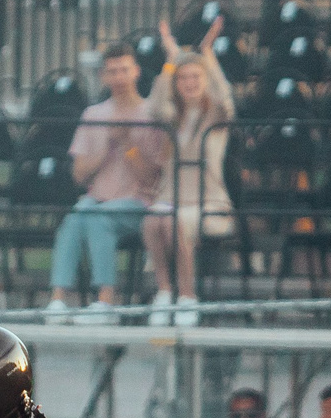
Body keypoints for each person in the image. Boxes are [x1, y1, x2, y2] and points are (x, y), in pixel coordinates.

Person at [46, 45, 167, 315]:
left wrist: (128, 146)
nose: (119, 77)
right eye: (112, 72)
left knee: (97, 218)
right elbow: (78, 175)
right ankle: (58, 299)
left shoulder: (152, 114)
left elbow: (153, 177)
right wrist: (105, 147)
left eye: (124, 70)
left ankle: (106, 301)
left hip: (138, 201)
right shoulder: (93, 115)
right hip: (97, 197)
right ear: (103, 76)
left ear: (136, 72)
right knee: (75, 217)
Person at [143, 18, 236, 311]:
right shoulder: (174, 118)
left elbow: (225, 99)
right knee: (152, 220)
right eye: (184, 78)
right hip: (171, 197)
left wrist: (207, 56)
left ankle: (187, 295)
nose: (190, 83)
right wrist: (171, 61)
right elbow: (154, 107)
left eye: (196, 77)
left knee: (176, 223)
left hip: (207, 200)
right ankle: (164, 291)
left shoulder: (215, 118)